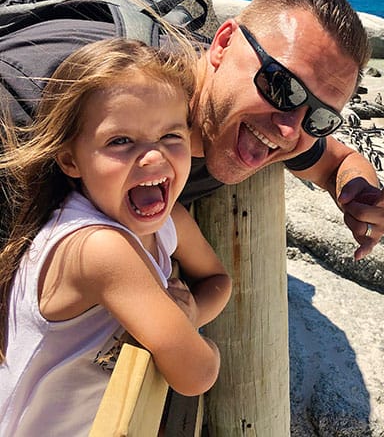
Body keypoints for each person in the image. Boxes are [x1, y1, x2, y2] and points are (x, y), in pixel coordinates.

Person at [0, 0, 384, 260]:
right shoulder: (66, 93)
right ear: (223, 44)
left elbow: (340, 162)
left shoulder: (244, 119)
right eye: (282, 86)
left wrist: (359, 196)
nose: (291, 128)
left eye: (321, 119)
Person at [0, 39, 232, 435]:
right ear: (71, 159)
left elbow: (218, 280)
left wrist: (188, 317)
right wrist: (194, 344)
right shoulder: (96, 248)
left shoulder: (168, 221)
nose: (154, 157)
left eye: (171, 136)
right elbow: (196, 373)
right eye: (120, 141)